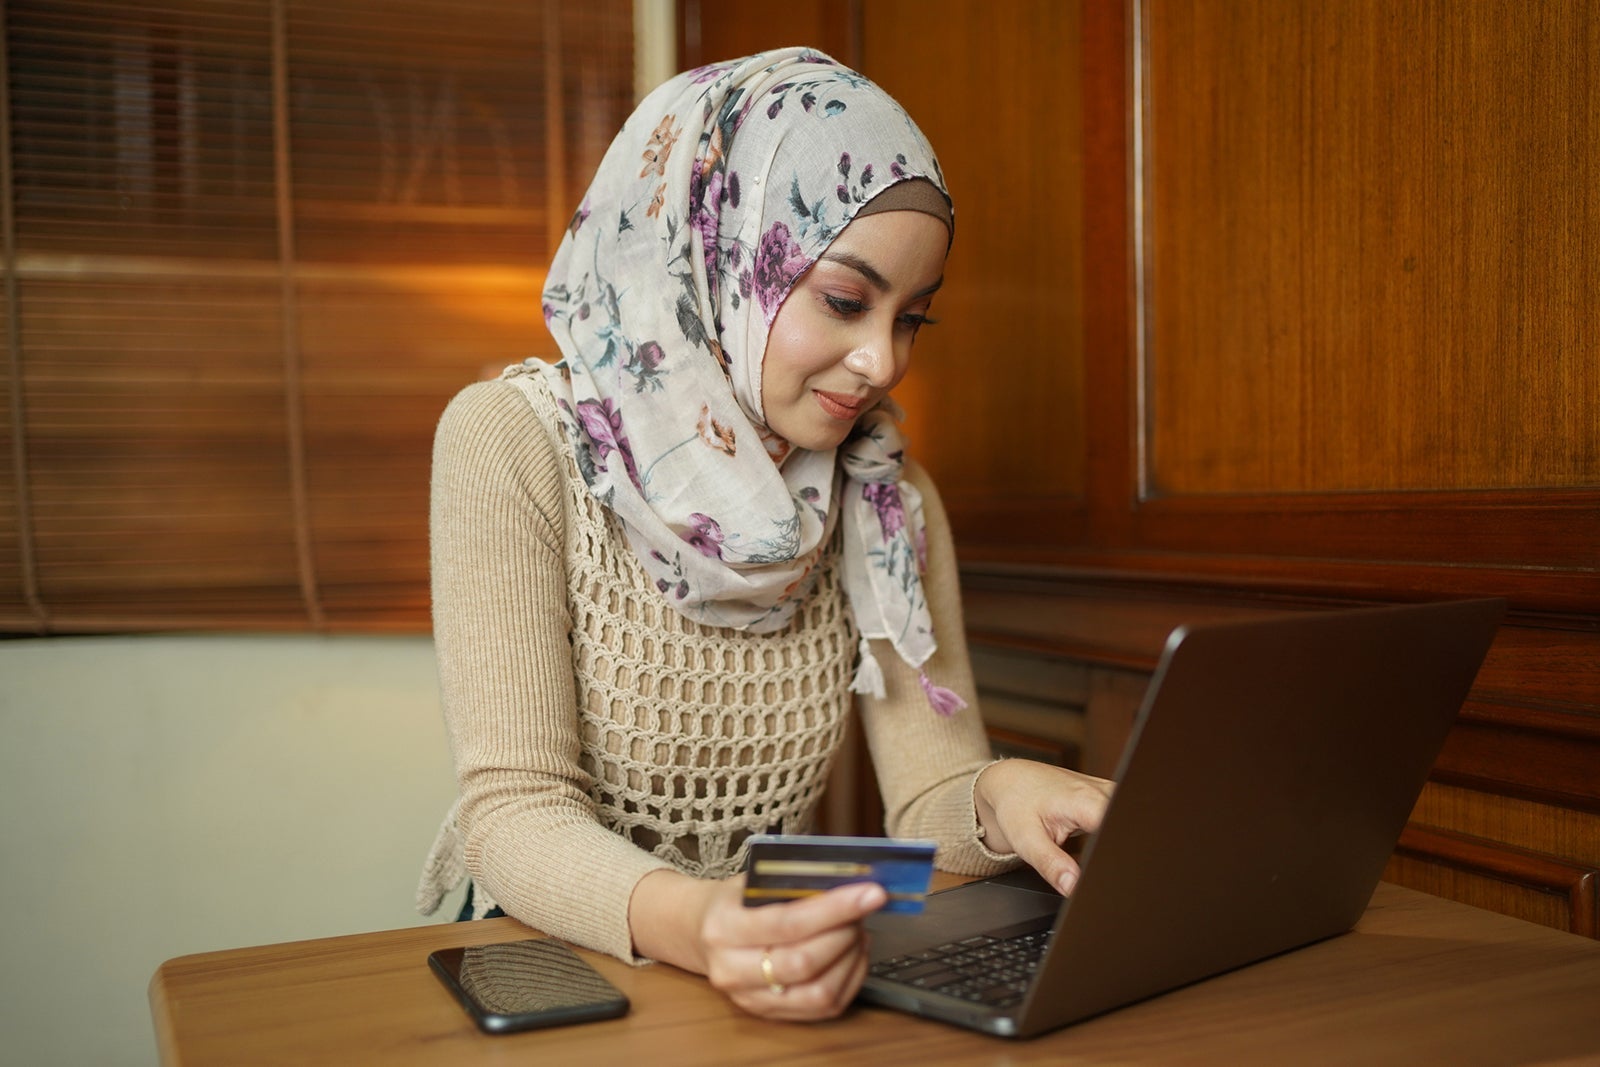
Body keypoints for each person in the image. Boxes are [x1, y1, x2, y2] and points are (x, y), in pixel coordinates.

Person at [416, 46, 1113, 1022]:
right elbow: (514, 815)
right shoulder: (512, 441)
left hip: (765, 963)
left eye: (913, 318)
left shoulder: (884, 496)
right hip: (561, 967)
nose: (881, 361)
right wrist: (701, 924)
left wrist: (999, 792)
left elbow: (930, 799)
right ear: (716, 251)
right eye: (842, 298)